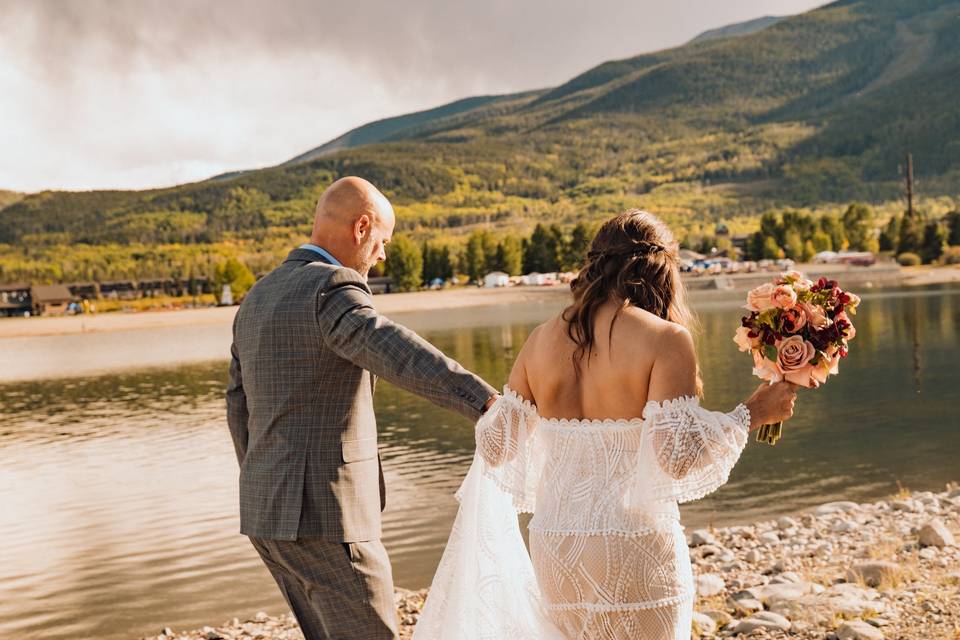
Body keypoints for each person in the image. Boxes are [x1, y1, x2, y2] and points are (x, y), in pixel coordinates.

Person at [414, 210, 797, 640]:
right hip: (634, 544)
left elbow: (498, 446)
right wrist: (751, 413)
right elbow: (677, 457)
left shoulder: (541, 338)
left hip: (558, 546)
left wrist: (516, 404)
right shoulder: (666, 339)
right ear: (659, 270)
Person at [226, 176, 497, 640]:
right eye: (383, 241)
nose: (383, 255)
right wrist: (487, 404)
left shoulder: (258, 295)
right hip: (326, 515)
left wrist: (264, 476)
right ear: (362, 227)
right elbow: (396, 352)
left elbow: (237, 405)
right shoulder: (332, 288)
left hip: (266, 512)